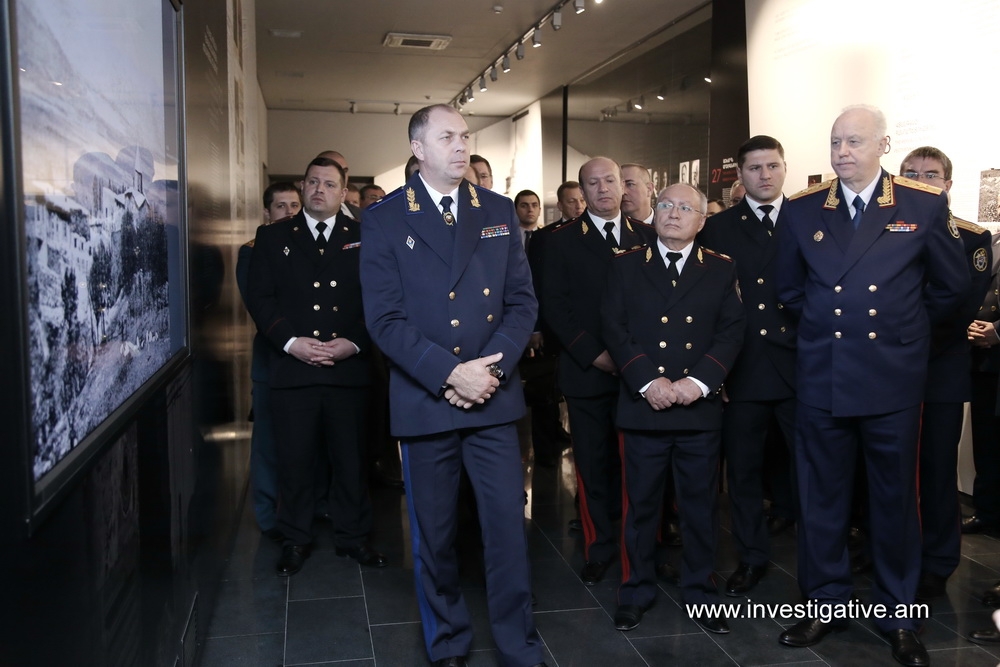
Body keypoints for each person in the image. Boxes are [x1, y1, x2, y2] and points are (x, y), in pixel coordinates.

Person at [775, 105, 968, 667]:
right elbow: (789, 289)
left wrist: (906, 334)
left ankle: (899, 615)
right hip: (824, 375)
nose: (842, 152)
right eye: (836, 141)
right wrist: (828, 333)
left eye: (855, 142)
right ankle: (823, 602)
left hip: (892, 379)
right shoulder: (804, 208)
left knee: (893, 501)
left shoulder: (920, 203)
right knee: (821, 498)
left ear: (883, 145)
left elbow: (952, 288)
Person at [360, 104, 545, 667]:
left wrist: (490, 372)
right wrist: (450, 373)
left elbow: (522, 303)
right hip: (427, 398)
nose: (462, 145)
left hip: (492, 396)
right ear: (418, 149)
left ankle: (519, 645)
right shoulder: (386, 217)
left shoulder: (496, 210)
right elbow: (384, 319)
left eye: (465, 136)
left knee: (507, 531)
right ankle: (447, 641)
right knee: (434, 536)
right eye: (447, 137)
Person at [603, 183, 744, 633]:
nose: (673, 213)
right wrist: (649, 382)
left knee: (700, 507)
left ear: (701, 221)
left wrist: (696, 384)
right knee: (641, 507)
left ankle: (701, 591)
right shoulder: (626, 264)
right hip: (644, 405)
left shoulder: (720, 268)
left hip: (696, 409)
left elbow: (731, 332)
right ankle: (635, 590)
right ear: (654, 212)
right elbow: (614, 327)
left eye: (685, 208)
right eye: (666, 205)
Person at [246, 157, 385, 576]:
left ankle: (353, 537)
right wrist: (291, 343)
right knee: (295, 460)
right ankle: (295, 538)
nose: (319, 189)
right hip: (294, 368)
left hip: (348, 367)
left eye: (328, 183)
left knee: (351, 460)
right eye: (312, 182)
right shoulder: (273, 237)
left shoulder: (365, 236)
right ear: (302, 187)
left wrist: (353, 343)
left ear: (343, 193)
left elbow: (381, 298)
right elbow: (260, 298)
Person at [542, 156, 657, 586]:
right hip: (587, 372)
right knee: (592, 465)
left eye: (610, 180)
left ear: (623, 186)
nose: (603, 189)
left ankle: (640, 547)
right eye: (593, 183)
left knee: (639, 466)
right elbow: (555, 307)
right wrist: (594, 355)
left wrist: (634, 360)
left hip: (640, 374)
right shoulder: (559, 241)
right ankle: (599, 547)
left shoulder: (648, 236)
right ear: (582, 191)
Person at [698, 135, 798, 598]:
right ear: (739, 174)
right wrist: (714, 371)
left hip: (801, 365)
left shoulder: (809, 219)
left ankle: (821, 562)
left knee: (814, 470)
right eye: (754, 168)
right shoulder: (718, 229)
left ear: (784, 168)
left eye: (772, 165)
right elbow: (707, 306)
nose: (765, 175)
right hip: (743, 367)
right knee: (742, 472)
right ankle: (752, 557)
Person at [897, 147, 991, 601]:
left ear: (948, 185)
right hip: (888, 372)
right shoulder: (887, 230)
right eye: (911, 173)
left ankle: (936, 562)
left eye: (931, 175)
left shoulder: (971, 238)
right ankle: (890, 551)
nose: (921, 181)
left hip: (937, 371)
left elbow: (961, 309)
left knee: (936, 472)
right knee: (890, 469)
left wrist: (904, 343)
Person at [236, 182, 302, 541]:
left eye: (294, 205)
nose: (289, 212)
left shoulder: (309, 246)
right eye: (281, 206)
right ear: (267, 212)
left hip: (311, 360)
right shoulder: (252, 251)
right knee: (268, 445)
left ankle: (306, 509)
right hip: (272, 360)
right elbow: (260, 308)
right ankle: (268, 515)